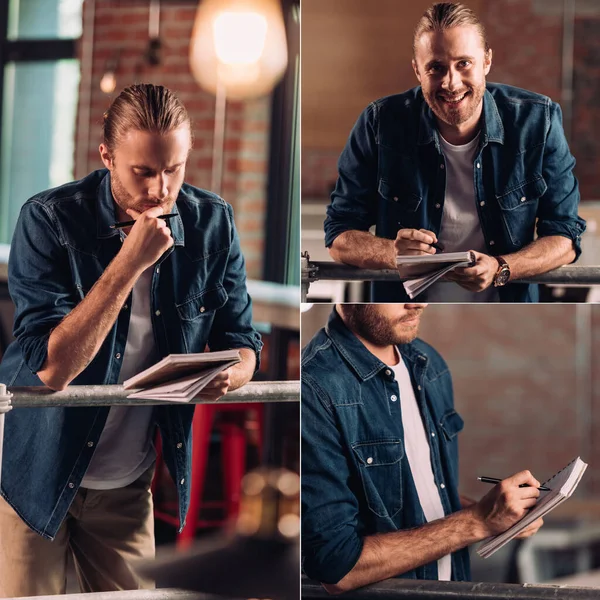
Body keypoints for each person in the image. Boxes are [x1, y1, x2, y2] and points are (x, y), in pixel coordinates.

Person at [0, 84, 262, 596]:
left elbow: (243, 337)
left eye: (174, 169)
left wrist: (234, 372)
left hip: (126, 482)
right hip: (35, 474)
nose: (161, 189)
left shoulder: (213, 223)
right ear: (106, 157)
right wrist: (129, 262)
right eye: (142, 171)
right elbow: (52, 369)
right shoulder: (47, 219)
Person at [324, 2, 585, 302]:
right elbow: (339, 235)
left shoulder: (539, 122)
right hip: (405, 311)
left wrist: (503, 267)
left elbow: (566, 236)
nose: (451, 82)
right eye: (436, 67)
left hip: (507, 312)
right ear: (417, 71)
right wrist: (393, 253)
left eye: (464, 63)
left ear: (486, 61)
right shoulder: (378, 124)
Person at [301, 304, 544, 592]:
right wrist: (478, 521)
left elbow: (423, 494)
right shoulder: (314, 386)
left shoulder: (427, 361)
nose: (418, 303)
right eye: (392, 294)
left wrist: (498, 511)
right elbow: (337, 567)